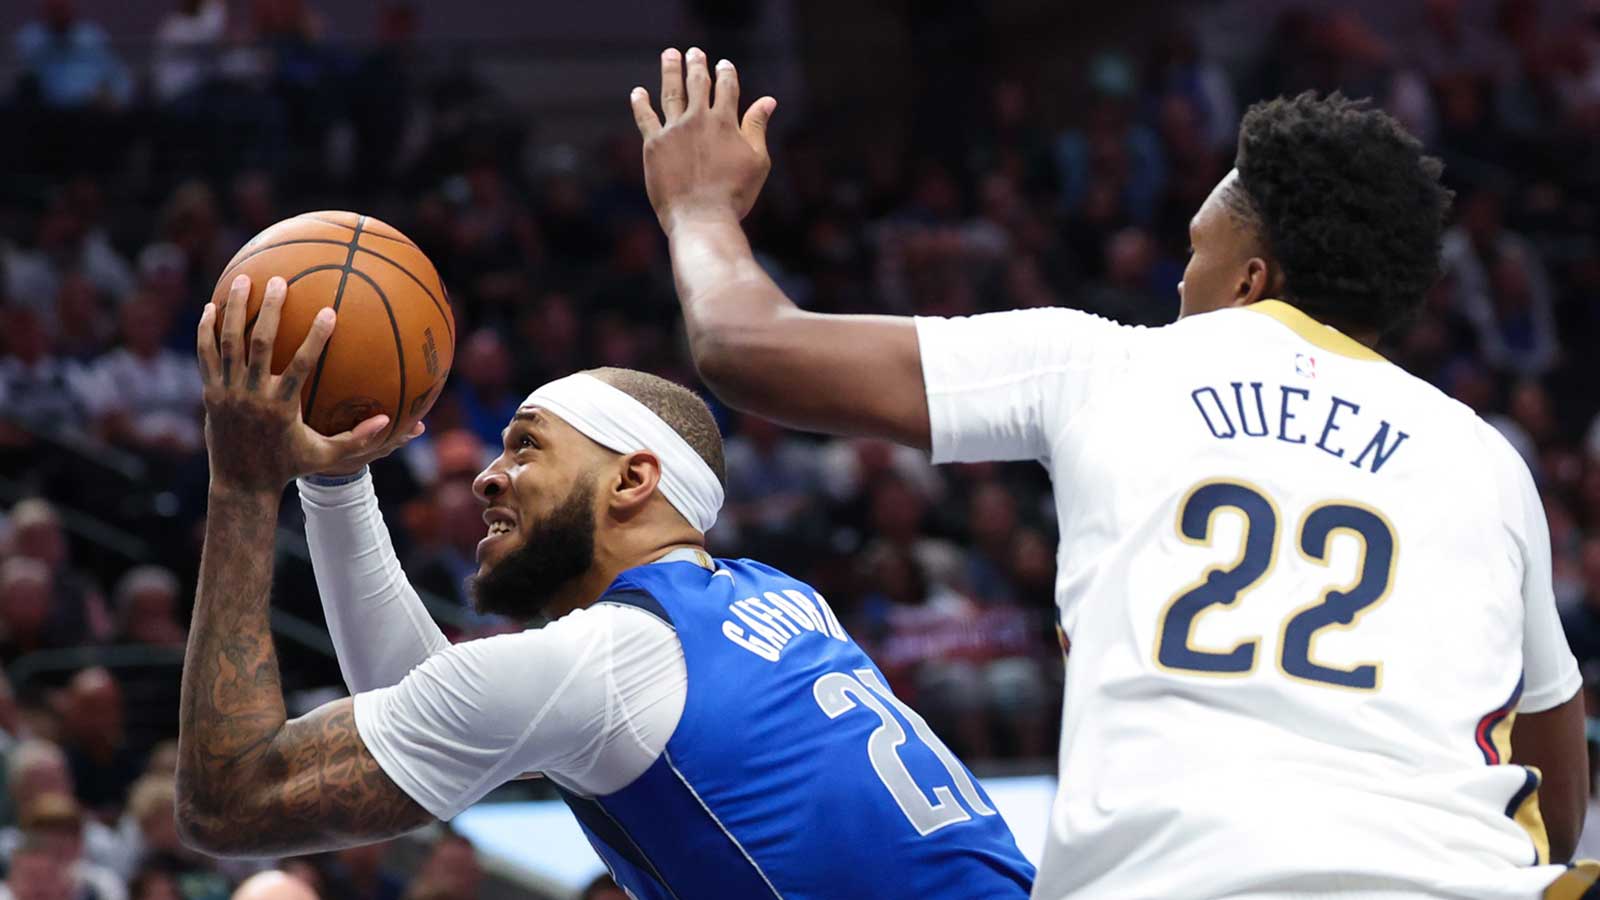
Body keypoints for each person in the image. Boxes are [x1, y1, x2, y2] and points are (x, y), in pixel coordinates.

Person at [630, 49, 1590, 897]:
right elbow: (1553, 769)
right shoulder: (1484, 454)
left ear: (1250, 281)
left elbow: (744, 344)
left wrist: (699, 205)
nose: (1178, 285)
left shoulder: (1107, 364)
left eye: (1193, 256)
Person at [174, 274, 1034, 899]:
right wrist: (336, 480)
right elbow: (430, 707)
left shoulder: (607, 663)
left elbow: (229, 803)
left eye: (526, 446)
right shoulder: (781, 597)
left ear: (632, 480)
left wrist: (246, 487)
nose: (487, 477)